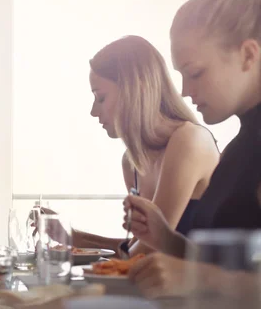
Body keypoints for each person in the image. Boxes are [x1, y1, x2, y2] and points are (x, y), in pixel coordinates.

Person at [124, 0, 261, 300]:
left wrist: (202, 277)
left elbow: (213, 275)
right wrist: (165, 238)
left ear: (248, 55)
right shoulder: (239, 147)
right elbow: (224, 264)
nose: (185, 90)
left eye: (195, 73)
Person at [40, 36, 219, 257]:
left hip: (205, 289)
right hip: (163, 288)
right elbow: (136, 248)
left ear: (135, 89)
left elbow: (148, 250)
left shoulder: (189, 140)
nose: (93, 111)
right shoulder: (131, 162)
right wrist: (72, 236)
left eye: (101, 98)